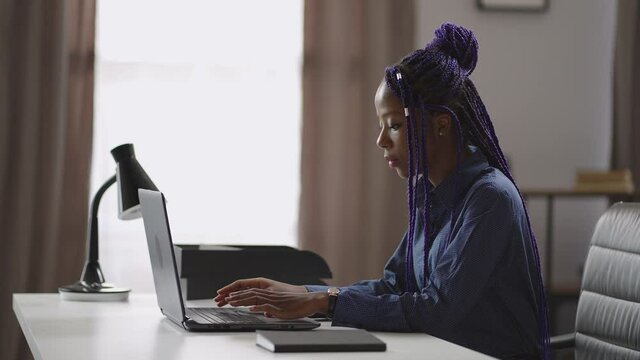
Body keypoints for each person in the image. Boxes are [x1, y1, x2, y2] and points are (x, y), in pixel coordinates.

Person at [215, 23, 548, 360]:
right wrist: (303, 293)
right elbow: (394, 286)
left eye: (394, 125)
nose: (382, 141)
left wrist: (323, 302)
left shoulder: (490, 199)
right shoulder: (430, 195)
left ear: (441, 125)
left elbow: (436, 311)